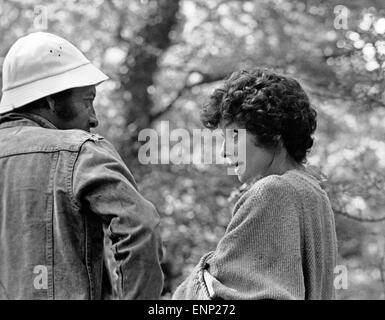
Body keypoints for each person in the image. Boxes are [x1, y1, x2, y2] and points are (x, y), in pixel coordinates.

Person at [0, 32, 163, 299]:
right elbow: (141, 227)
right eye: (87, 101)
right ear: (52, 100)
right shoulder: (80, 151)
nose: (93, 118)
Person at [173, 69, 338, 300]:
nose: (224, 151)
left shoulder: (273, 192)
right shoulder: (315, 194)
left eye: (234, 135)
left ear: (271, 131)